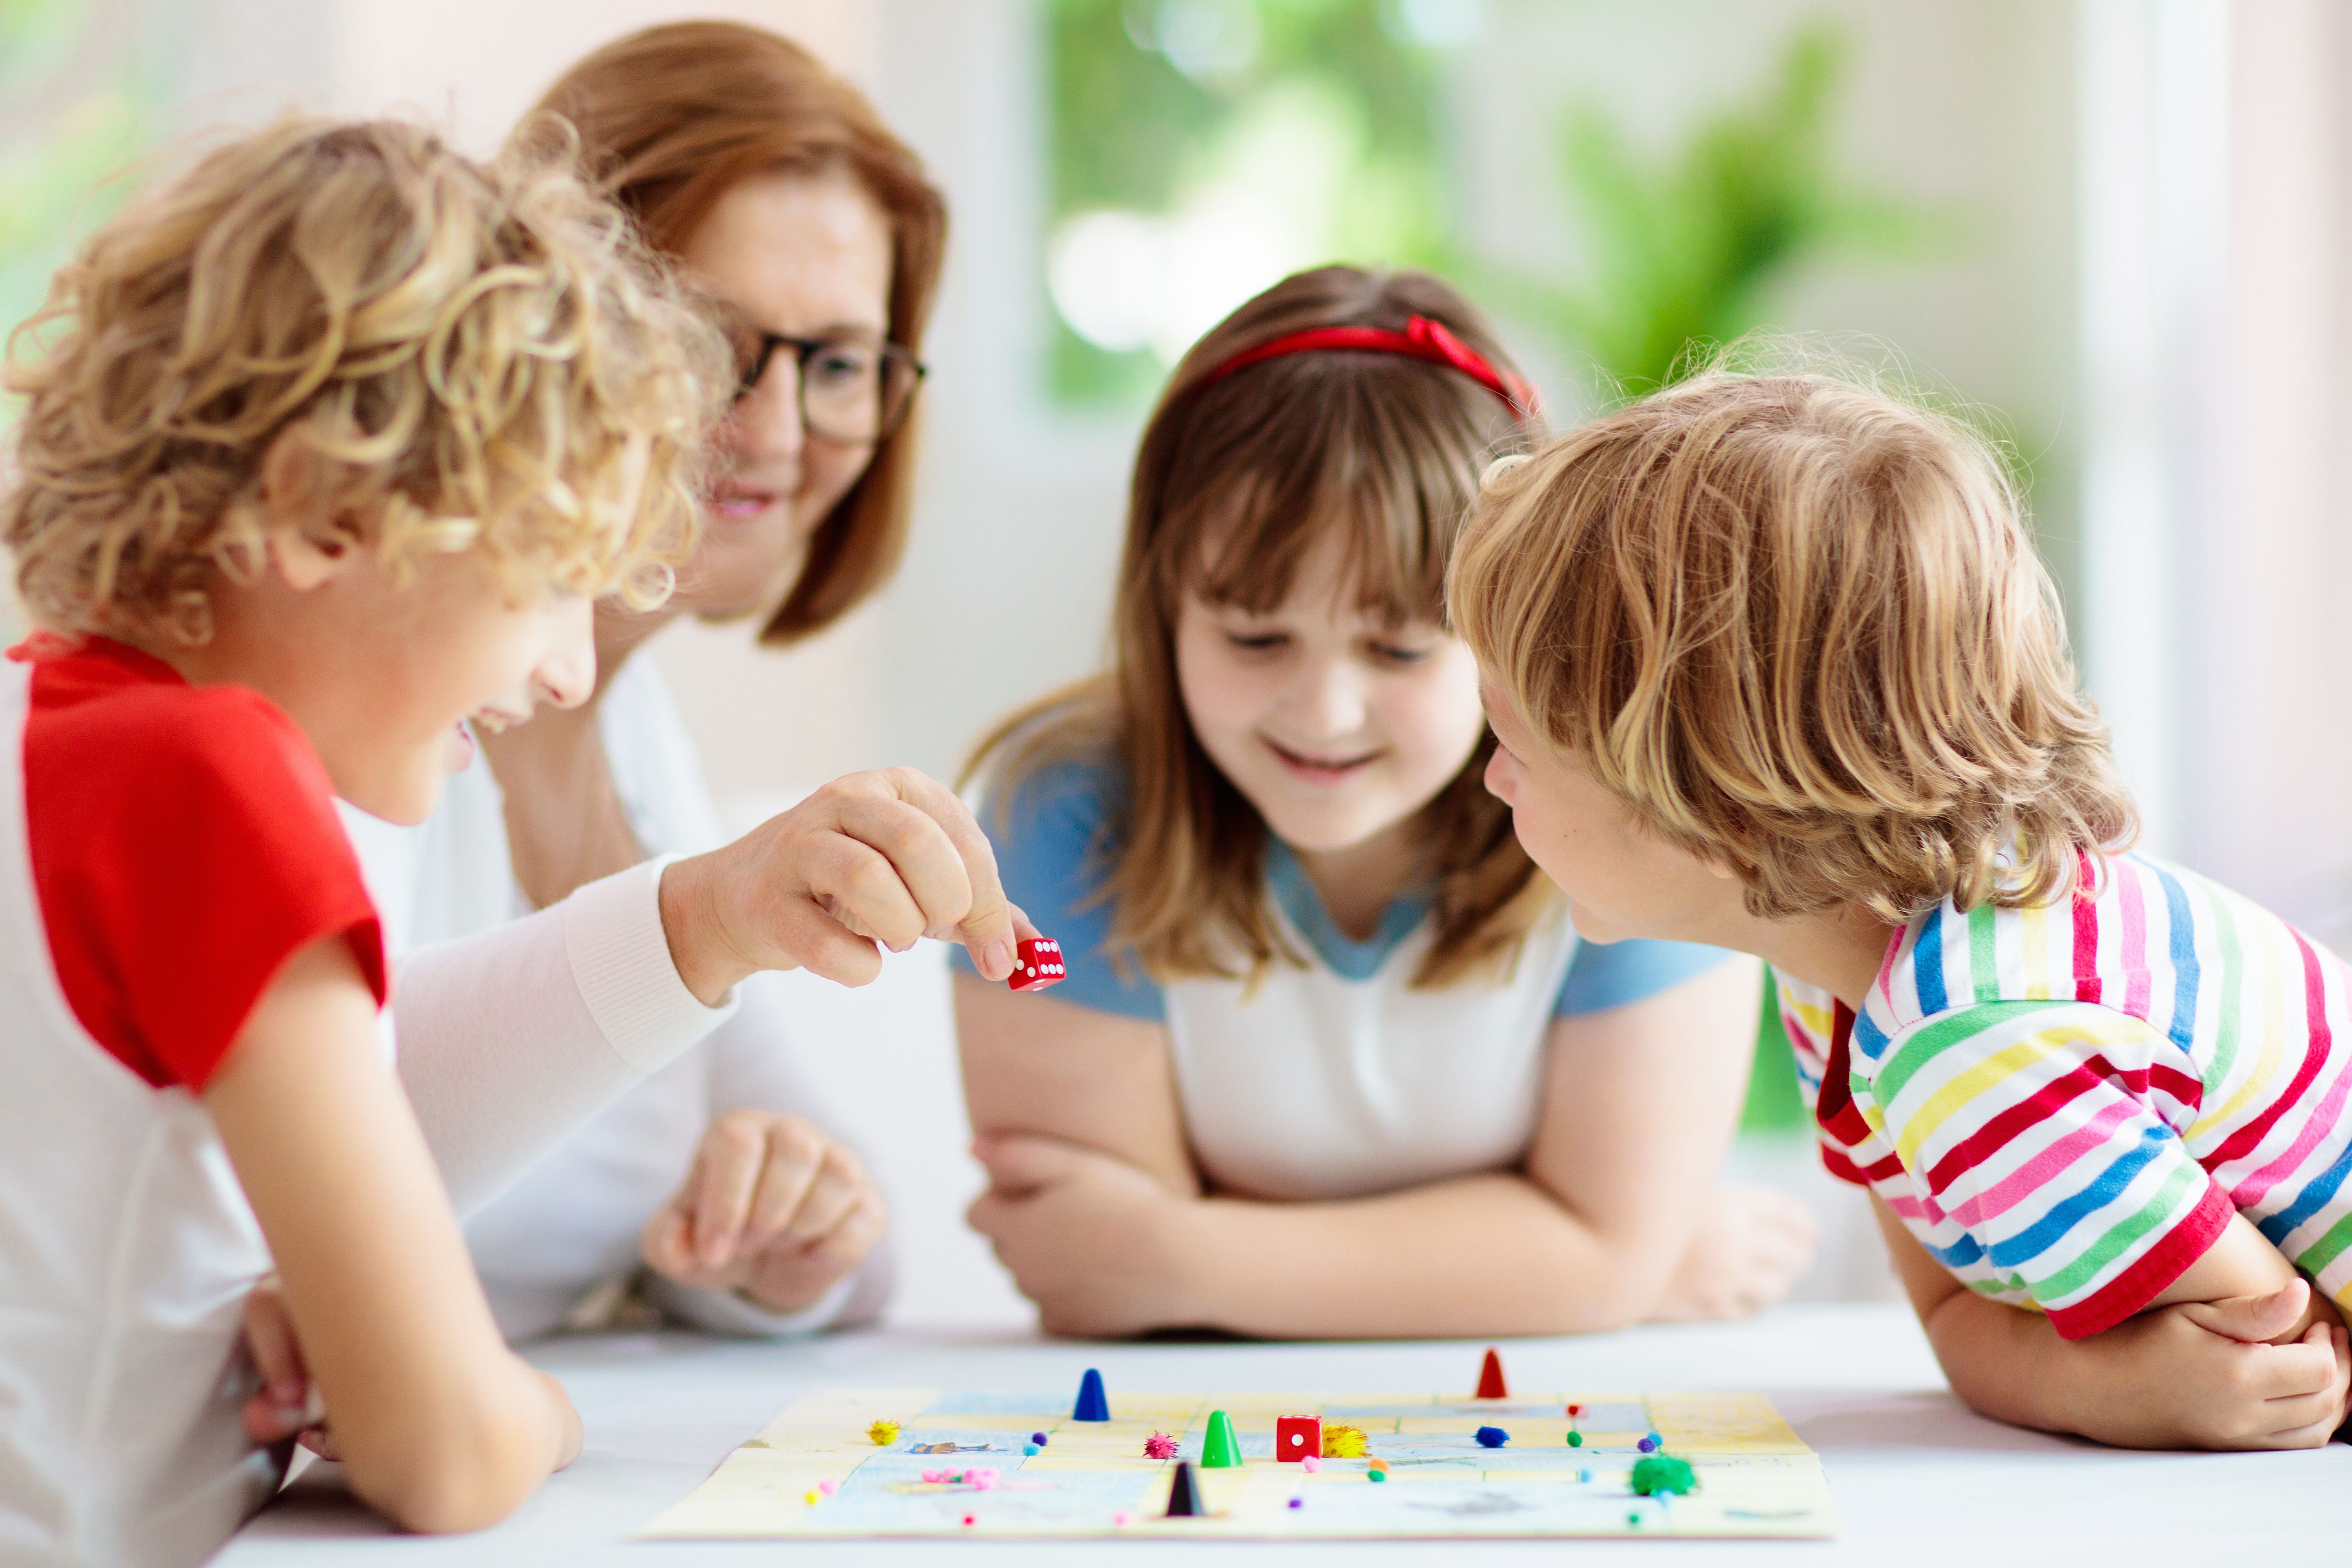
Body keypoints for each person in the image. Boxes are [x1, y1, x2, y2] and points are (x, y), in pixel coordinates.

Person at [0, 118, 720, 1562]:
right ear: (326, 512)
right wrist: (528, 1407)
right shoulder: (211, 778)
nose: (571, 671)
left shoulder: (43, 728)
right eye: (552, 577)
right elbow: (444, 1452)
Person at [1450, 366, 2352, 1448]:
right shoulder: (1847, 970)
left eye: (1514, 741)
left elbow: (2275, 1364)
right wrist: (2085, 1377)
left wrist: (2108, 1386)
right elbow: (1954, 1316)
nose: (1492, 779)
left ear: (1714, 811)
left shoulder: (1974, 1039)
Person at [954, 267, 1816, 1339]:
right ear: (1162, 600)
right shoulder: (1060, 813)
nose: (1323, 709)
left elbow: (1142, 1260)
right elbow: (1091, 1278)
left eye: (1399, 646)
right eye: (1253, 635)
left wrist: (1185, 1250)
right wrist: (1576, 1270)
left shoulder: (1638, 804)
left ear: (1510, 627)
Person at [345, 21, 949, 1341]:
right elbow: (305, 1160)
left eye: (839, 361)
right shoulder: (362, 708)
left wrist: (782, 1237)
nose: (778, 429)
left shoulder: (634, 730)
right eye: (710, 341)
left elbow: (851, 1244)